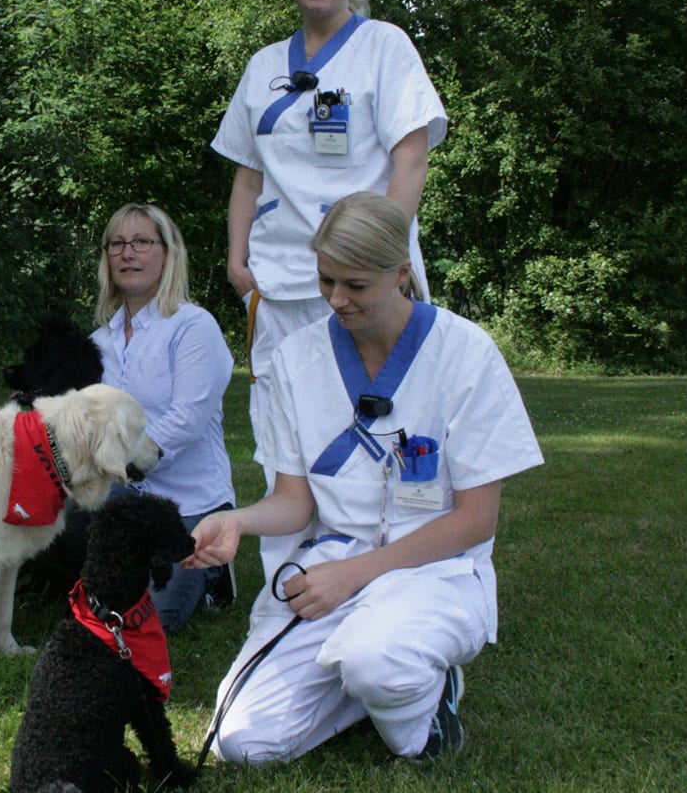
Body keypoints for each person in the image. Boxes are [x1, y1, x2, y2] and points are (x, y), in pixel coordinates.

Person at [183, 192, 543, 763]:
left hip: (435, 571)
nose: (335, 299)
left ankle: (421, 695)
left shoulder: (465, 352)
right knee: (242, 744)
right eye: (326, 280)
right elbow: (294, 503)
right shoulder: (296, 358)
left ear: (401, 274)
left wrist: (355, 575)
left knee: (376, 660)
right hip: (330, 567)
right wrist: (236, 522)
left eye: (355, 285)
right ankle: (370, 679)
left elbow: (477, 519)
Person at [211, 0, 449, 577]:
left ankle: (392, 573)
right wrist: (237, 262)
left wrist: (383, 255)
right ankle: (290, 579)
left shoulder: (386, 47)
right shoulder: (263, 66)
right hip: (280, 286)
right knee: (285, 432)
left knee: (388, 425)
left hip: (366, 281)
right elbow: (247, 174)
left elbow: (410, 158)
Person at [91, 203, 236, 633]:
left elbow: (187, 420)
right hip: (119, 497)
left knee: (146, 620)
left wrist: (116, 462)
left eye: (141, 242)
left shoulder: (193, 326)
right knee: (78, 580)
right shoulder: (99, 341)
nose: (127, 253)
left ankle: (214, 572)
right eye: (117, 244)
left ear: (168, 254)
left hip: (187, 503)